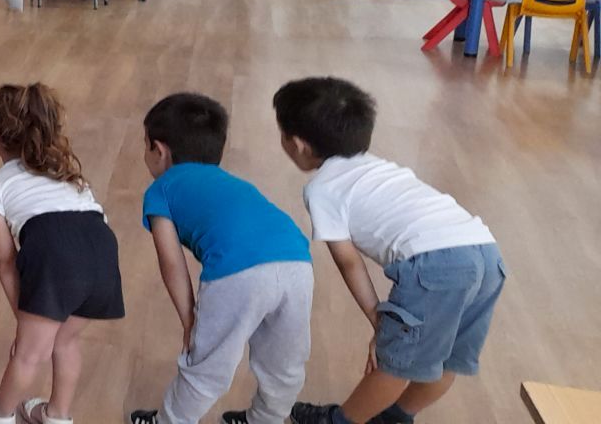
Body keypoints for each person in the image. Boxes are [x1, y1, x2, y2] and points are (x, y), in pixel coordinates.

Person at [275, 78, 504, 424]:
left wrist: (377, 320)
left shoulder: (322, 188)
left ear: (297, 144)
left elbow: (348, 261)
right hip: (485, 250)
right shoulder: (378, 165)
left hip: (437, 264)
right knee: (446, 360)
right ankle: (394, 418)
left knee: (394, 364)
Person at [129, 93, 313, 424]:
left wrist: (190, 319)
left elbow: (172, 263)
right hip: (297, 261)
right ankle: (264, 420)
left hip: (237, 271)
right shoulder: (232, 182)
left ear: (159, 150)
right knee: (284, 363)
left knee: (206, 369)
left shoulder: (162, 189)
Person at [0, 84, 122, 424]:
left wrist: (22, 312)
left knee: (28, 353)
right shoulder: (69, 176)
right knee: (65, 341)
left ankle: (0, 415)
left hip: (56, 254)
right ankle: (57, 415)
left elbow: (6, 261)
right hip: (102, 251)